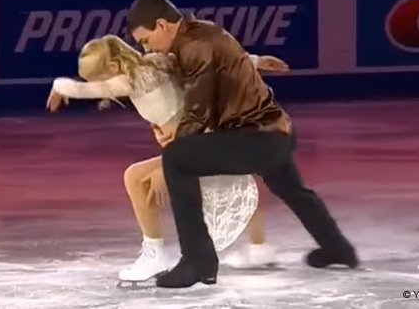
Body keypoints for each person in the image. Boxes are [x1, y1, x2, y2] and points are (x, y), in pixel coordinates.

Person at [126, 0, 360, 288]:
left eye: (146, 41)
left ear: (161, 25)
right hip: (275, 133)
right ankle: (338, 247)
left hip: (255, 138)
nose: (147, 49)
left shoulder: (194, 45)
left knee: (177, 159)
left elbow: (199, 113)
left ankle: (198, 261)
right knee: (293, 189)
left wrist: (168, 159)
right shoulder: (201, 32)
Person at [46, 35, 288, 282]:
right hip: (198, 140)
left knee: (153, 179)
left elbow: (80, 90)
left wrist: (57, 86)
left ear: (112, 68)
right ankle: (255, 247)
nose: (101, 86)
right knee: (140, 176)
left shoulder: (133, 79)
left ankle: (159, 253)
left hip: (198, 142)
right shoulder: (154, 63)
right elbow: (208, 64)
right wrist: (254, 60)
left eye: (99, 78)